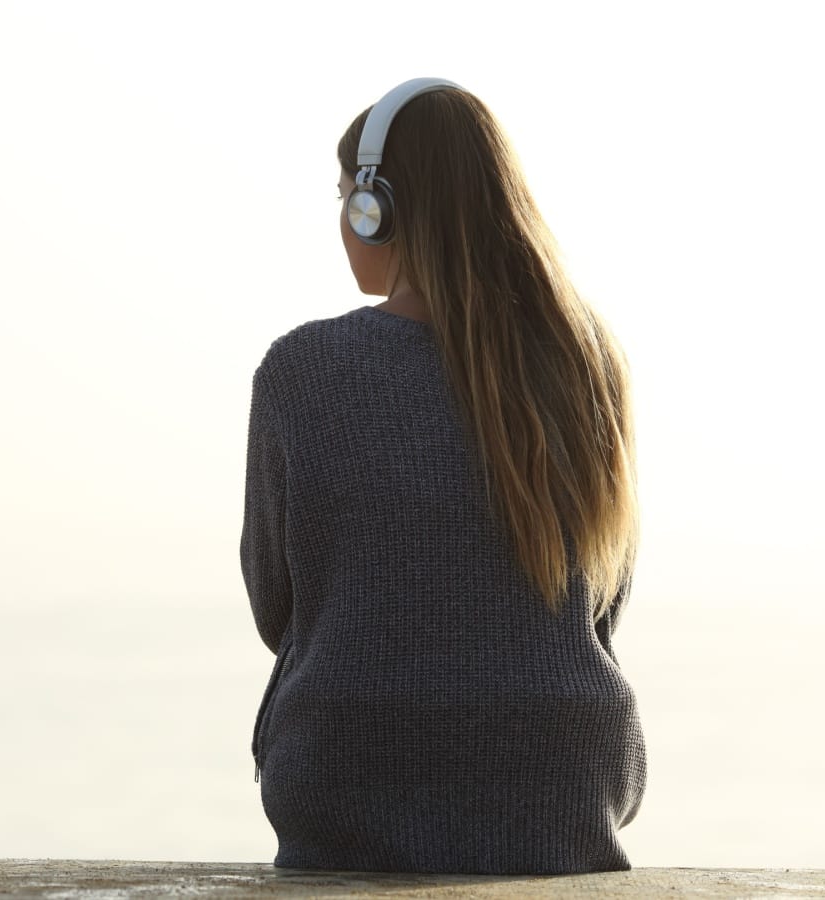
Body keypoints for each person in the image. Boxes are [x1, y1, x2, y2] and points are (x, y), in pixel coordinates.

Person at [240, 77, 645, 876]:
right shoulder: (587, 362)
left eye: (344, 195)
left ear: (376, 209)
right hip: (563, 788)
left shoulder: (302, 371)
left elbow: (276, 609)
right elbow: (603, 605)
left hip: (344, 782)